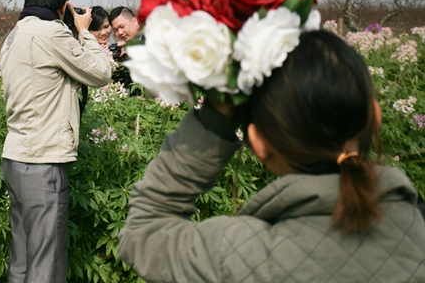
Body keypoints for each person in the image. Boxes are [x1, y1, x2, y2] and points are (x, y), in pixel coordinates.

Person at [117, 30, 425, 282]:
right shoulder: (417, 227)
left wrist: (218, 115)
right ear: (375, 114)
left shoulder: (237, 253)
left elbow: (146, 231)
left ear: (259, 144)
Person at [0, 0, 111, 283]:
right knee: (45, 267)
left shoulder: (15, 34)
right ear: (63, 5)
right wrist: (84, 31)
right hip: (43, 163)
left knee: (21, 262)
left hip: (15, 158)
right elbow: (101, 73)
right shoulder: (51, 34)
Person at [108, 6, 143, 95]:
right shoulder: (121, 51)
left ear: (134, 21)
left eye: (122, 26)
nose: (120, 33)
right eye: (115, 30)